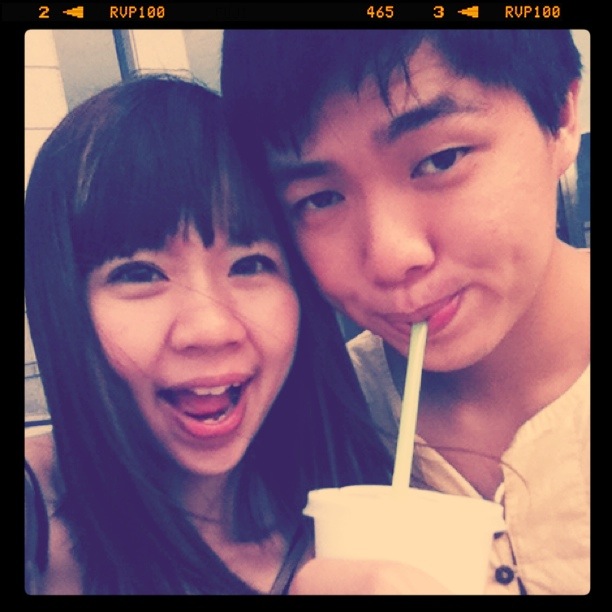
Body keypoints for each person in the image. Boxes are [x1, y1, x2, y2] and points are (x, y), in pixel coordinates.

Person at [220, 30, 590, 595]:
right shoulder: (312, 423)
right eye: (320, 199)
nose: (392, 257)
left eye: (439, 160)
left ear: (561, 116)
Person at [23, 74, 405, 595]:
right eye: (139, 274)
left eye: (251, 264)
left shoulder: (363, 507)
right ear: (63, 303)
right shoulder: (38, 527)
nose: (211, 329)